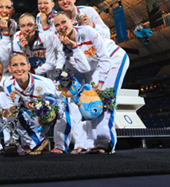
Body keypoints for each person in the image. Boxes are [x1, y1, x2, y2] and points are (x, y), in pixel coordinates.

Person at [53, 11, 129, 154]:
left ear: (71, 21)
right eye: (57, 25)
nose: (61, 26)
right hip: (92, 68)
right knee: (86, 103)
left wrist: (100, 84)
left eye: (63, 22)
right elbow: (83, 68)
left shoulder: (87, 31)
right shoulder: (62, 44)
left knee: (103, 98)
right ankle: (90, 143)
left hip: (113, 58)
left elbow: (105, 59)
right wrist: (60, 79)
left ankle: (105, 142)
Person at [4, 52, 60, 155]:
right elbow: (11, 111)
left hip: (46, 118)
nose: (19, 68)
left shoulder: (45, 83)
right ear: (9, 68)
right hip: (28, 118)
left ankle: (44, 143)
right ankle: (28, 143)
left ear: (29, 66)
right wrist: (15, 102)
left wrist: (52, 113)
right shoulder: (8, 84)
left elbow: (60, 104)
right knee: (12, 113)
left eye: (22, 64)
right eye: (14, 65)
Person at [12, 13, 63, 78]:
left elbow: (51, 63)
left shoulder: (45, 37)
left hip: (45, 73)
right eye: (23, 26)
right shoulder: (16, 40)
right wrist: (23, 51)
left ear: (35, 26)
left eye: (30, 25)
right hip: (26, 75)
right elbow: (18, 67)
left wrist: (33, 72)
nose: (26, 29)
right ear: (19, 28)